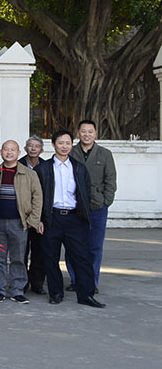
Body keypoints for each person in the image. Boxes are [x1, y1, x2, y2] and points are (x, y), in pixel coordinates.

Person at [34, 130, 105, 308]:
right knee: (51, 258)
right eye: (61, 143)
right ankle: (56, 293)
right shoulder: (43, 169)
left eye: (68, 143)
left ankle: (86, 294)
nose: (64, 147)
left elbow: (85, 193)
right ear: (53, 145)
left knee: (82, 257)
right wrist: (39, 219)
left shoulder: (79, 168)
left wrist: (84, 216)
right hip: (52, 218)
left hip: (75, 218)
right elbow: (37, 196)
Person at [0, 140, 42, 304]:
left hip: (19, 222)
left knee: (18, 258)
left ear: (19, 153)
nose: (9, 152)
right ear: (1, 152)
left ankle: (17, 290)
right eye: (6, 149)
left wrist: (33, 220)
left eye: (13, 150)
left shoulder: (29, 174)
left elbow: (37, 198)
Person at [69, 120, 117, 292]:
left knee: (95, 246)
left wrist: (105, 201)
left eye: (90, 131)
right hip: (74, 206)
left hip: (97, 206)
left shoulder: (105, 154)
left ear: (96, 134)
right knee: (73, 245)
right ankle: (76, 280)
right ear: (78, 133)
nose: (87, 134)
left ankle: (91, 281)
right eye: (83, 131)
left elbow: (110, 180)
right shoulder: (71, 152)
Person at [19, 135, 46, 294]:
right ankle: (22, 283)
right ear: (25, 148)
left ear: (41, 150)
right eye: (30, 145)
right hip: (21, 216)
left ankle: (37, 283)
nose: (33, 148)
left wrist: (39, 218)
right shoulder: (18, 165)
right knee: (21, 252)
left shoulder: (46, 167)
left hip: (39, 216)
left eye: (37, 146)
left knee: (39, 251)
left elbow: (45, 195)